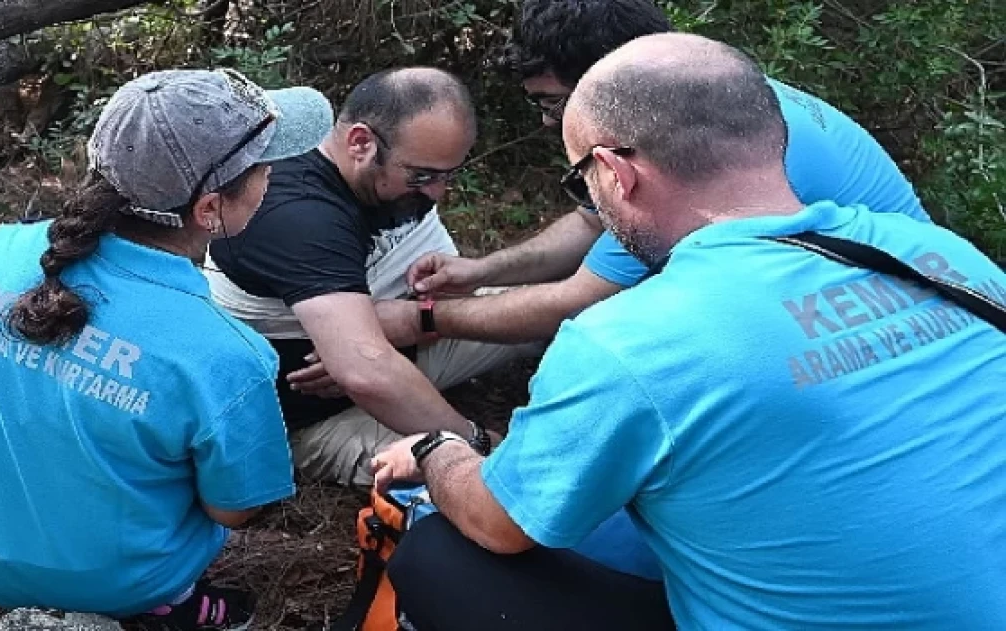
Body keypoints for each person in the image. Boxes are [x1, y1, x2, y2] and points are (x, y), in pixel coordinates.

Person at [372, 33, 1006, 630]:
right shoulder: (940, 254)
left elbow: (497, 522)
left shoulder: (631, 340)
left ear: (615, 173)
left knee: (436, 558)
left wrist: (436, 451)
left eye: (581, 184)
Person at [0, 69, 333, 628]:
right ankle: (174, 606)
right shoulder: (228, 355)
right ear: (210, 209)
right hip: (113, 581)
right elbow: (234, 510)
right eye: (264, 164)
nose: (272, 173)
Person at [380, 0, 931, 346]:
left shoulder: (683, 147)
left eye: (554, 103)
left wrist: (423, 322)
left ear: (611, 82)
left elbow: (582, 300)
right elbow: (593, 223)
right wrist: (478, 273)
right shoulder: (701, 94)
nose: (550, 124)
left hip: (882, 322)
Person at [204, 67, 541, 488]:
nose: (437, 192)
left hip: (405, 354)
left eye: (446, 176)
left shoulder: (390, 181)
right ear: (361, 143)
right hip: (318, 416)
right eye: (423, 176)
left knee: (555, 304)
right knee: (482, 480)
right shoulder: (298, 215)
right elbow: (365, 373)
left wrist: (384, 333)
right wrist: (473, 441)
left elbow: (423, 316)